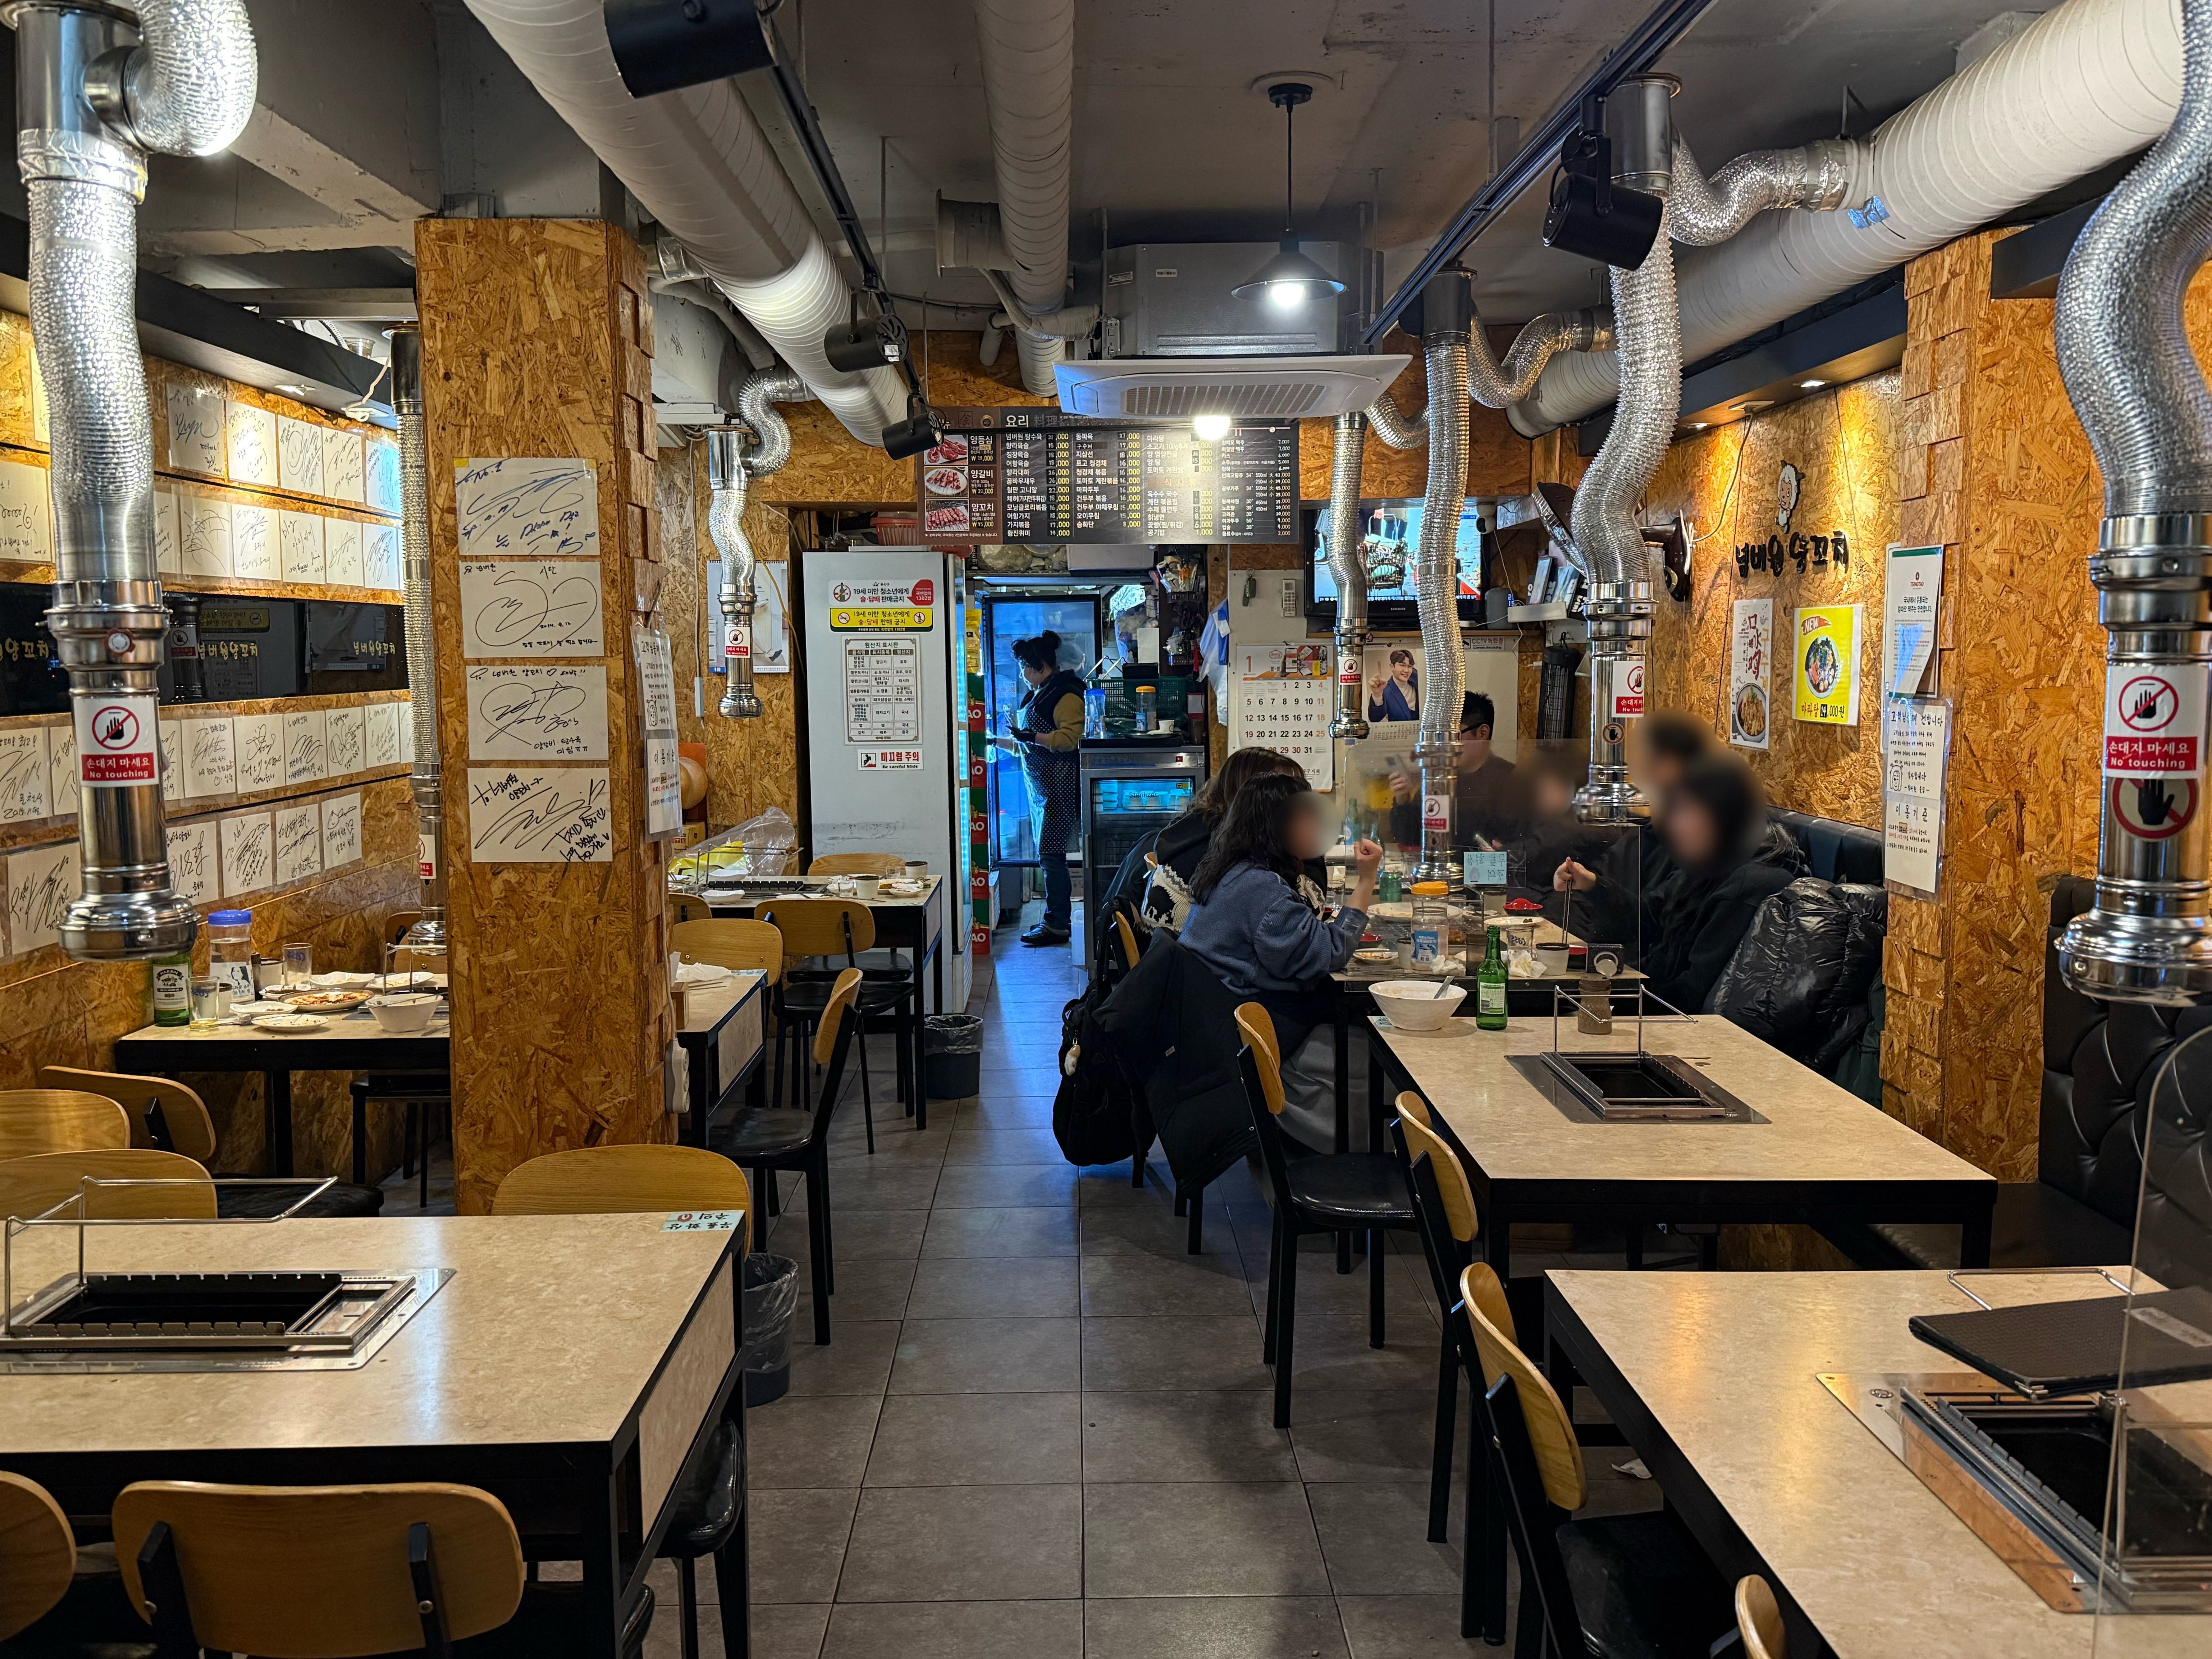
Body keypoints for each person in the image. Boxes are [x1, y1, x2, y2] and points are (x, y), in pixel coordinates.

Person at [1181, 773, 1382, 1149]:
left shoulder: (1232, 870)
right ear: (1277, 826)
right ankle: (1364, 1151)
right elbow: (1330, 952)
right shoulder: (1261, 888)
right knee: (1377, 1047)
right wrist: (1367, 880)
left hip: (1216, 1019)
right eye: (1307, 816)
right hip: (1245, 1031)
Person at [1554, 752, 1805, 1013]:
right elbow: (1650, 917)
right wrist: (1593, 885)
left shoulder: (1748, 887)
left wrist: (1606, 1000)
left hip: (1683, 1022)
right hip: (1655, 997)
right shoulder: (1711, 862)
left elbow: (1694, 992)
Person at [1135, 746, 1307, 935]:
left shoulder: (1196, 829)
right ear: (1256, 796)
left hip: (1169, 948)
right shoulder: (1225, 850)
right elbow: (1292, 922)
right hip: (1188, 951)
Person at [998, 631, 1085, 946]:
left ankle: (1057, 923)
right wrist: (995, 742)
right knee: (1049, 856)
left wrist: (1031, 737)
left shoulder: (1066, 694)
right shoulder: (1038, 694)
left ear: (1038, 666)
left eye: (1024, 666)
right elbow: (1025, 746)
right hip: (1042, 791)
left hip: (1059, 789)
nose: (1022, 672)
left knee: (1051, 857)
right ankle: (1055, 919)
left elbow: (1069, 739)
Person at [1385, 691, 1523, 849]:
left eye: (1453, 736)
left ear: (1482, 733)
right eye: (1441, 738)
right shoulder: (1439, 778)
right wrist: (1402, 801)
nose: (1445, 746)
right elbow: (1410, 837)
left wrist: (1509, 851)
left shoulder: (1513, 781)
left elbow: (1526, 845)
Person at [1366, 648, 1420, 724]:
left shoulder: (1417, 681)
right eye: (1402, 665)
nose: (1407, 671)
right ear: (1392, 667)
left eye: (1410, 666)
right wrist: (1377, 695)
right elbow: (1375, 718)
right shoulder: (1386, 691)